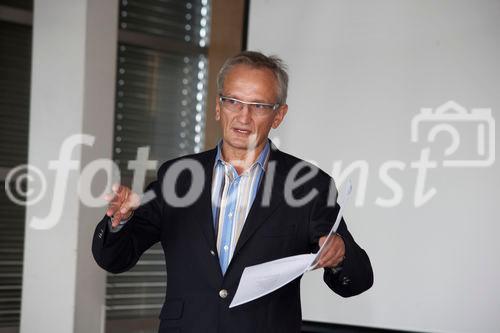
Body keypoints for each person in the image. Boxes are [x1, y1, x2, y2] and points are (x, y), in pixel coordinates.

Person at [92, 51, 373, 333]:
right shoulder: (178, 178)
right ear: (218, 107)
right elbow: (115, 259)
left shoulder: (310, 185)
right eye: (233, 102)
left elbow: (358, 280)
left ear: (279, 115)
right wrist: (120, 222)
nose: (243, 116)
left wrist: (341, 254)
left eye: (259, 106)